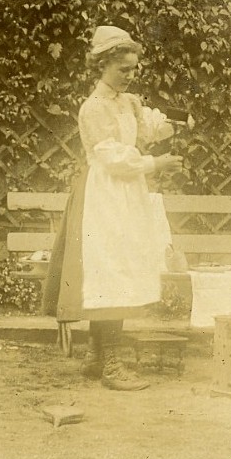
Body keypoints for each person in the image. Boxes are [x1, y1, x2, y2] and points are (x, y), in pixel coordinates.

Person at [41, 25, 184, 391]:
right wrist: (156, 164)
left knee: (121, 272)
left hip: (129, 196)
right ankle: (112, 364)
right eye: (123, 69)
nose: (130, 75)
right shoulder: (93, 108)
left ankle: (96, 355)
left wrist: (172, 125)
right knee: (110, 275)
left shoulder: (129, 103)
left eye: (134, 69)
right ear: (102, 65)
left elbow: (149, 131)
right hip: (105, 196)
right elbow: (113, 158)